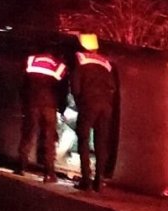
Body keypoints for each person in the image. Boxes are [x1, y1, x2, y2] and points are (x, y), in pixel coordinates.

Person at [71, 33, 116, 192]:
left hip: (89, 104)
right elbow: (112, 87)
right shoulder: (106, 63)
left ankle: (86, 180)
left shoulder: (80, 59)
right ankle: (99, 181)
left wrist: (79, 102)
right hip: (106, 107)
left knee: (83, 139)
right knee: (101, 143)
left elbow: (75, 86)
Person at [15, 50, 68, 183]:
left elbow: (23, 84)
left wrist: (24, 102)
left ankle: (21, 166)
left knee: (28, 134)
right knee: (49, 139)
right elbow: (63, 90)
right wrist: (61, 109)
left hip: (32, 103)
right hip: (49, 105)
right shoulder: (59, 66)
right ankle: (49, 173)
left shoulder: (31, 60)